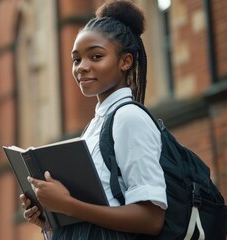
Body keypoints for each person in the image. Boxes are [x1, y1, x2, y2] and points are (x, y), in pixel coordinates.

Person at [20, 0, 167, 239]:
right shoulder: (95, 126)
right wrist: (49, 219)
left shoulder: (129, 118)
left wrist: (67, 205)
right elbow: (96, 216)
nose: (82, 68)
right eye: (77, 59)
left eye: (96, 56)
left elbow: (151, 220)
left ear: (125, 61)